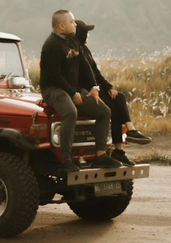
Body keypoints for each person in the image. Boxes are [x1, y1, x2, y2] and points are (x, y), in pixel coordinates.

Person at [40, 10, 122, 173]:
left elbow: (85, 66)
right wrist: (73, 93)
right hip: (53, 89)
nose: (75, 24)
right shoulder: (51, 45)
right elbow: (55, 77)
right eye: (71, 22)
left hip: (72, 89)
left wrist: (94, 87)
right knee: (71, 112)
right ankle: (65, 160)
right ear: (61, 26)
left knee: (104, 111)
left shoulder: (73, 40)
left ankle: (100, 156)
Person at [75, 19, 152, 166]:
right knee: (112, 109)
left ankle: (129, 132)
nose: (88, 35)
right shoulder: (76, 51)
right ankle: (119, 149)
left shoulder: (85, 50)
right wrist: (94, 88)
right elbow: (86, 76)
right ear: (80, 33)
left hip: (96, 87)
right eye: (86, 32)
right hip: (88, 90)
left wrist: (109, 87)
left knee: (119, 97)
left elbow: (96, 72)